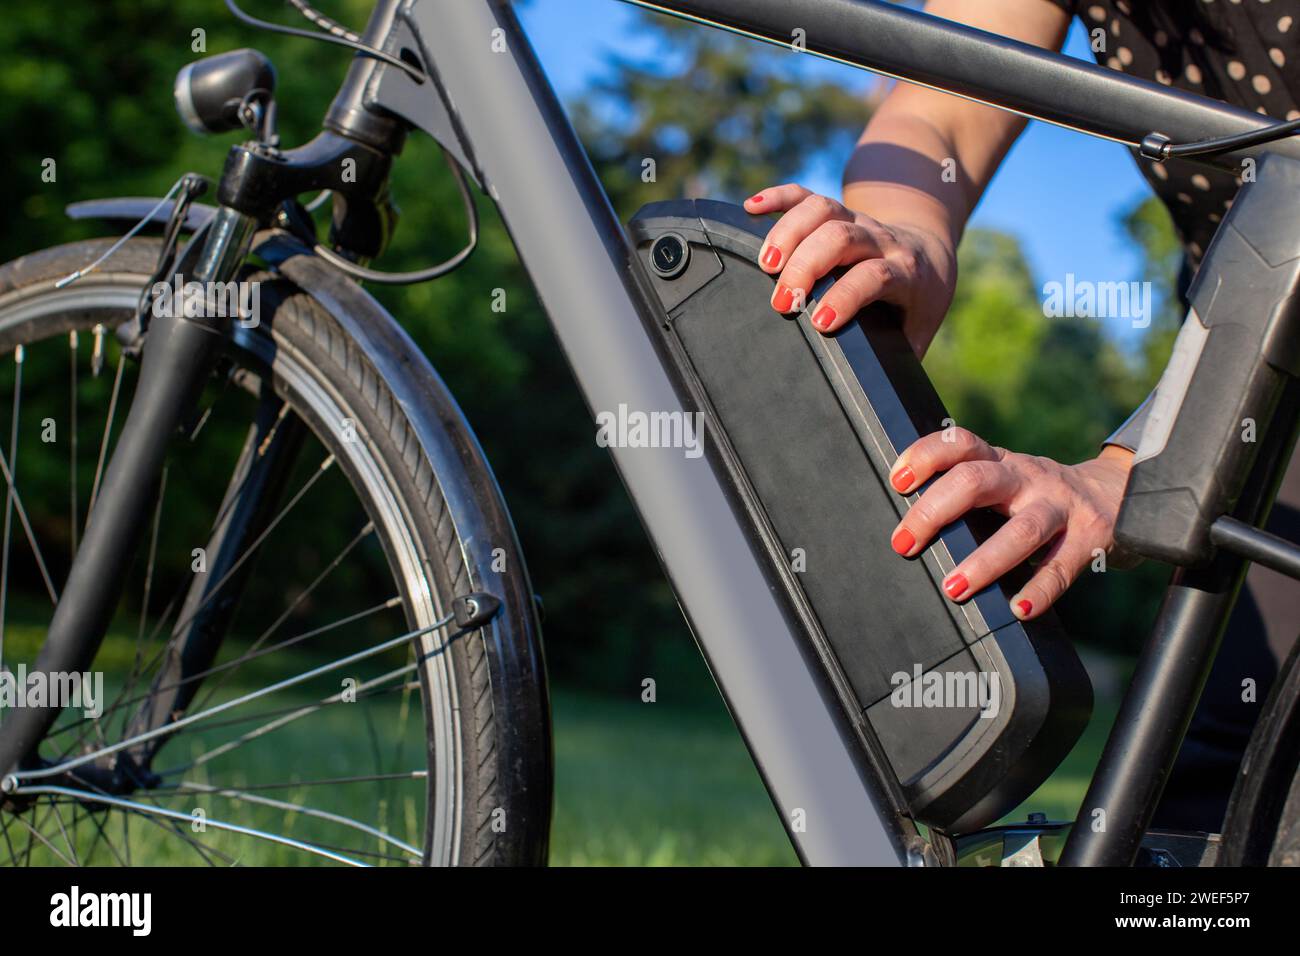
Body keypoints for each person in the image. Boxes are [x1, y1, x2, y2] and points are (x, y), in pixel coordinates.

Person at [744, 0, 1300, 833]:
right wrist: (908, 235)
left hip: (1260, 363)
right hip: (1256, 362)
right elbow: (941, 108)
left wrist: (1128, 469)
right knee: (1215, 787)